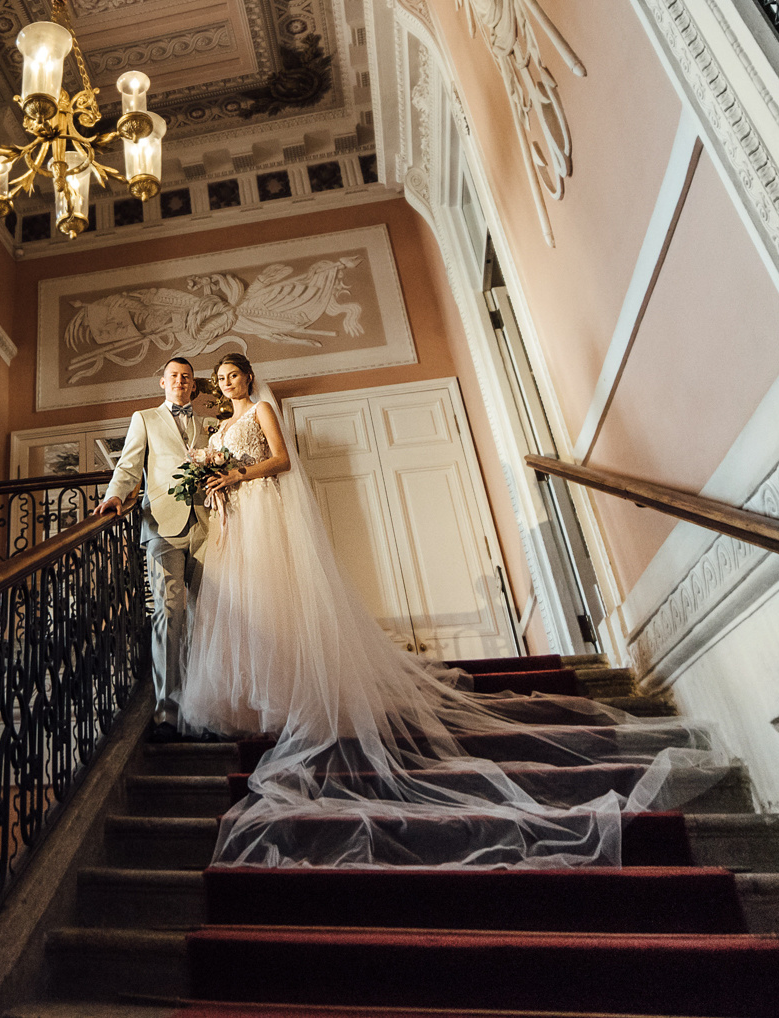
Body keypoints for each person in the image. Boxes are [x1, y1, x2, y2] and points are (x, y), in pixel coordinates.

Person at [176, 352, 727, 868]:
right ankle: (260, 700)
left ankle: (299, 693)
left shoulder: (263, 409)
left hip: (266, 511)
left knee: (285, 600)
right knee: (251, 611)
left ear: (249, 377)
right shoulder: (218, 426)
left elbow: (281, 458)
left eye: (234, 375)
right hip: (238, 519)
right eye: (220, 379)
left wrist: (238, 475)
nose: (228, 383)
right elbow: (214, 467)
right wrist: (215, 483)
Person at [96, 357, 214, 740]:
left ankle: (206, 706)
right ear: (162, 382)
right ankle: (168, 711)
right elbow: (129, 466)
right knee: (168, 610)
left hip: (208, 526)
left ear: (193, 386)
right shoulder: (144, 418)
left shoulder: (210, 425)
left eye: (187, 378)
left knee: (206, 617)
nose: (180, 382)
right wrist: (115, 497)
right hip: (162, 526)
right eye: (174, 376)